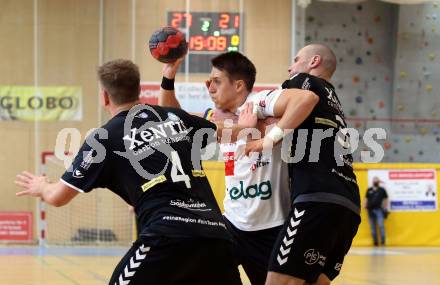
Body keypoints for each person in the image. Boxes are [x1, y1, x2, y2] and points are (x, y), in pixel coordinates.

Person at [15, 59, 242, 285]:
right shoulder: (176, 117)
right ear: (139, 89)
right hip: (217, 236)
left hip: (166, 236)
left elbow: (57, 197)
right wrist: (271, 127)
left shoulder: (103, 138)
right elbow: (231, 132)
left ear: (105, 96)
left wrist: (42, 186)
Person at [159, 51, 316, 285]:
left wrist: (266, 133)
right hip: (232, 224)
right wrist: (168, 77)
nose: (210, 88)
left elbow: (305, 100)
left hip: (270, 227)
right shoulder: (214, 117)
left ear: (239, 85)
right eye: (209, 82)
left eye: (217, 81)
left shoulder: (262, 102)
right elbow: (173, 118)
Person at [244, 44, 361, 285]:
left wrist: (269, 138)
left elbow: (302, 101)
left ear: (313, 62)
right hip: (349, 206)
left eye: (296, 59)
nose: (290, 66)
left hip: (317, 199)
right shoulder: (334, 101)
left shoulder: (303, 81)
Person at [365, 176, 389, 246]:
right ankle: (375, 242)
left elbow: (386, 199)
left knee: (381, 225)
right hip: (370, 210)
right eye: (374, 180)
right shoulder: (369, 190)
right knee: (373, 228)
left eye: (377, 180)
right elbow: (366, 199)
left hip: (379, 210)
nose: (375, 182)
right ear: (372, 182)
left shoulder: (382, 190)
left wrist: (384, 207)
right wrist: (364, 205)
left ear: (379, 182)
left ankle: (383, 242)